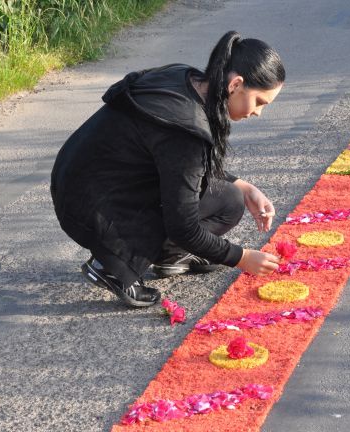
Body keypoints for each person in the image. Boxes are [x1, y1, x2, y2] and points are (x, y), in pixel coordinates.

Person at [50, 31, 285, 308]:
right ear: (235, 84)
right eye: (259, 102)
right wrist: (241, 257)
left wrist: (244, 186)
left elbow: (177, 163)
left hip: (77, 181)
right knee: (183, 210)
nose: (258, 112)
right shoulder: (186, 128)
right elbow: (183, 225)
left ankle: (170, 257)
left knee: (230, 200)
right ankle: (112, 264)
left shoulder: (188, 78)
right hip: (91, 206)